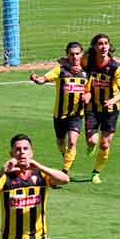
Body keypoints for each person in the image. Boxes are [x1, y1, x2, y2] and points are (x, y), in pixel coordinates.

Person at [29, 41, 91, 176]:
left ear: (81, 54)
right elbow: (44, 78)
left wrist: (87, 96)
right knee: (60, 142)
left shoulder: (87, 72)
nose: (74, 57)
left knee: (72, 142)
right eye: (71, 54)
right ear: (67, 55)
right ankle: (65, 154)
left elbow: (89, 90)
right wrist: (36, 79)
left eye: (77, 54)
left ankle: (64, 171)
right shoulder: (60, 70)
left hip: (76, 114)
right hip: (59, 114)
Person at [82, 33, 120, 184]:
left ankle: (96, 172)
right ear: (94, 47)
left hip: (110, 110)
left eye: (106, 43)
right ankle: (90, 146)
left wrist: (112, 101)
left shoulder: (115, 68)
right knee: (92, 141)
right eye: (100, 44)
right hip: (92, 108)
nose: (103, 47)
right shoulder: (88, 61)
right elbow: (74, 63)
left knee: (104, 144)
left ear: (109, 46)